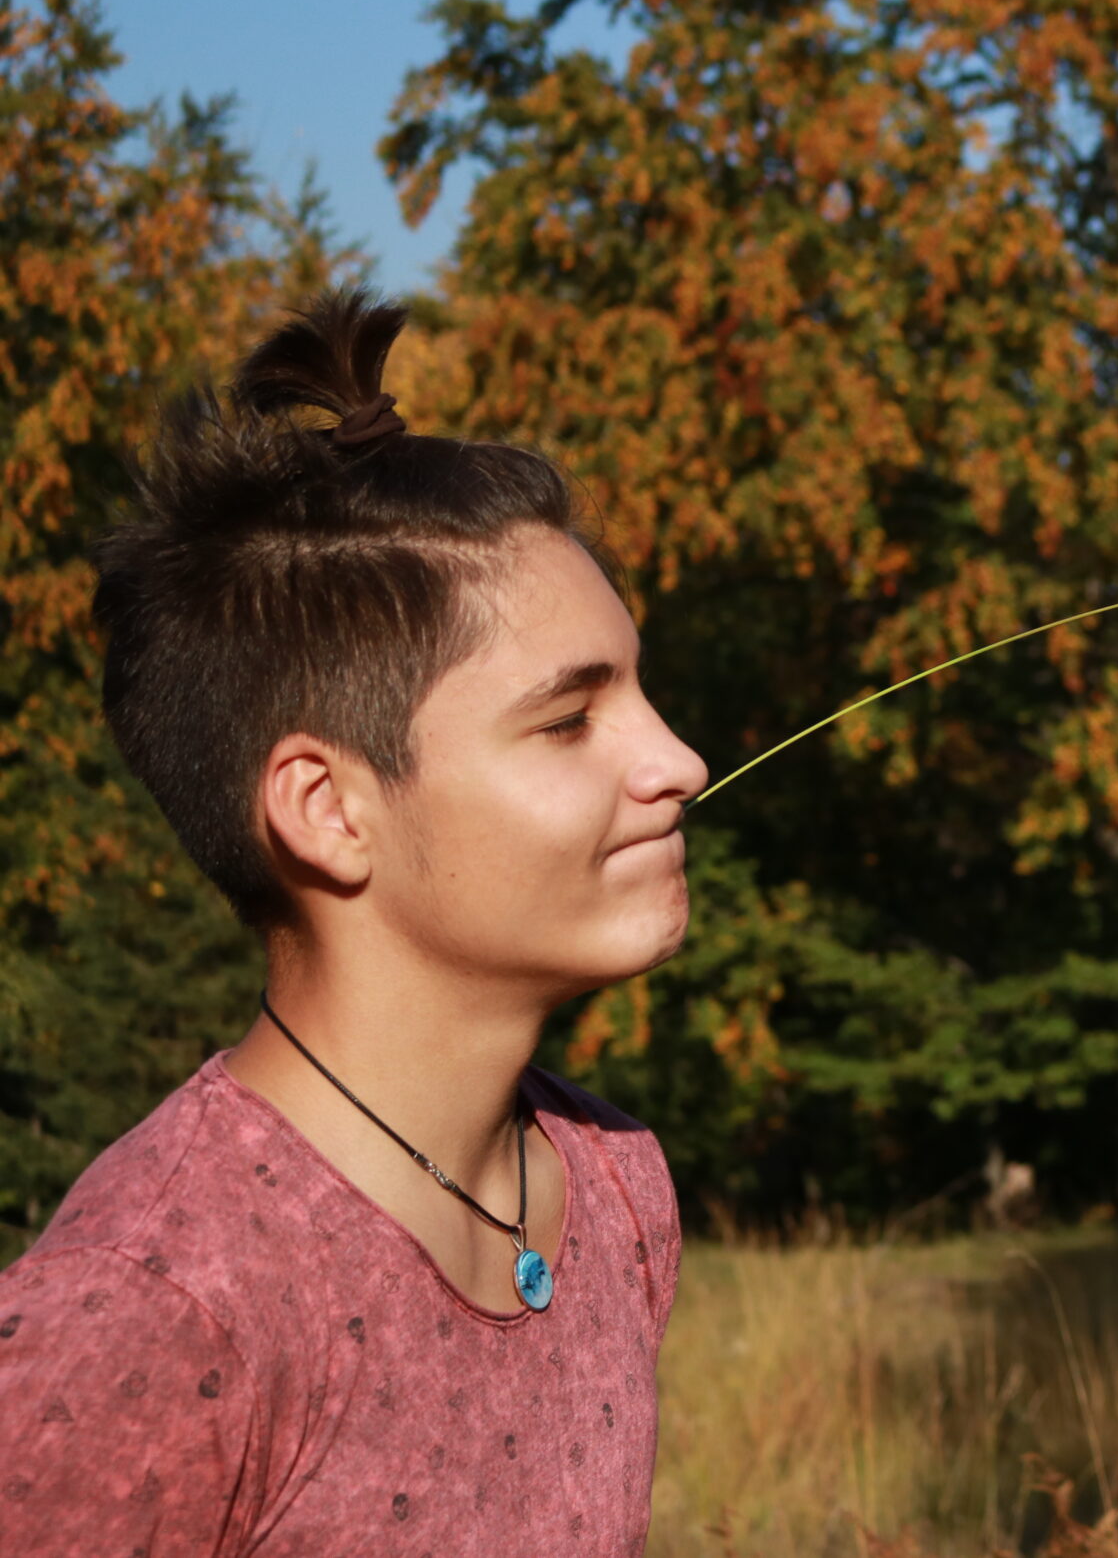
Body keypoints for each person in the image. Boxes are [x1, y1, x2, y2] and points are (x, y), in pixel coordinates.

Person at [0, 286, 709, 1555]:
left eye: (640, 693)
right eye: (568, 720)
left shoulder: (613, 1181)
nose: (679, 762)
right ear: (327, 811)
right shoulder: (153, 1315)